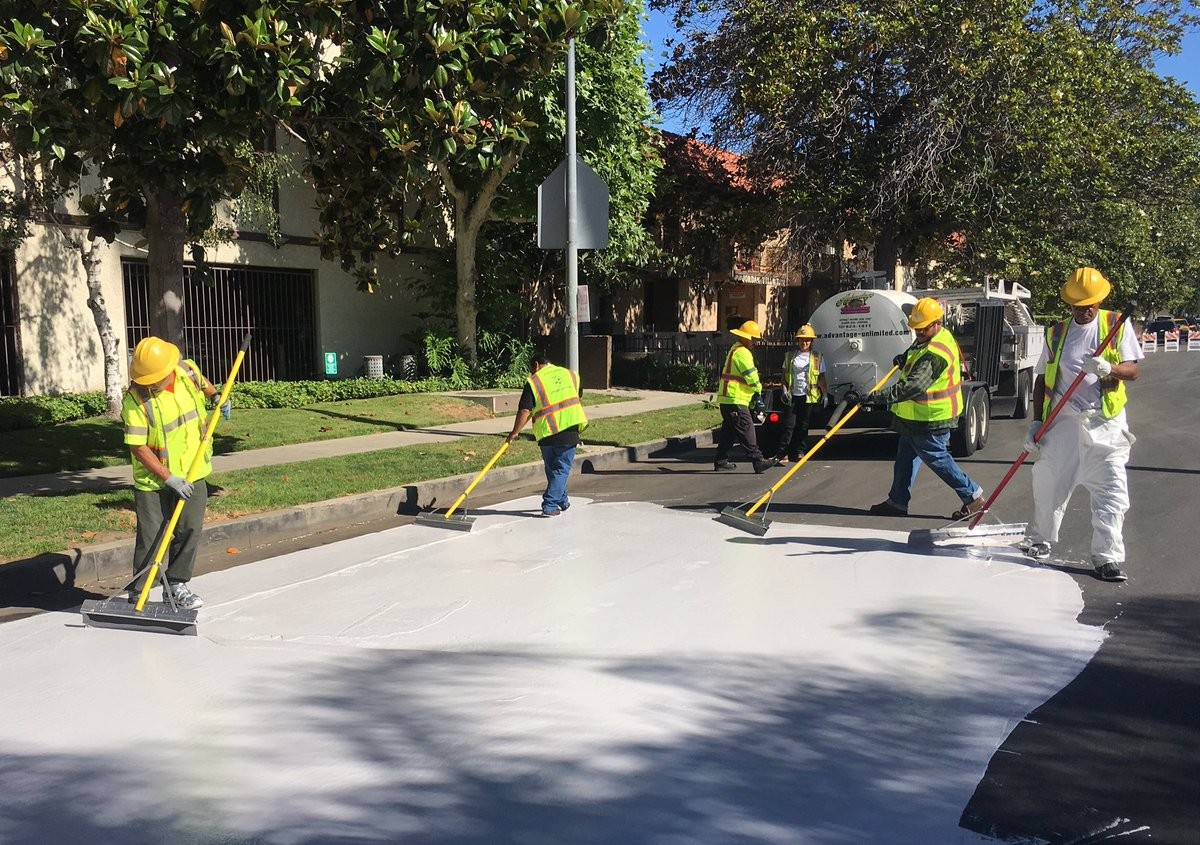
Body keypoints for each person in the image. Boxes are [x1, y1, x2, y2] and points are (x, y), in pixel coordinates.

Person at [1020, 267, 1141, 582]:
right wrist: (1036, 422)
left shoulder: (1116, 324)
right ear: (1069, 303)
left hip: (1105, 422)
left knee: (1112, 492)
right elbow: (1042, 379)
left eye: (1090, 304)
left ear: (1100, 301)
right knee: (1050, 483)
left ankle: (1107, 558)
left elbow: (1133, 370)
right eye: (1078, 305)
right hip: (1063, 421)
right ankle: (1041, 540)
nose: (1084, 310)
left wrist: (1108, 368)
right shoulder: (1056, 332)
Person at [122, 337, 230, 609]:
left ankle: (178, 584)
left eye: (152, 378)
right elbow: (139, 447)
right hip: (154, 481)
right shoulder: (135, 400)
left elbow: (208, 389)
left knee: (189, 528)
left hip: (194, 471)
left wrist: (218, 398)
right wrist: (168, 477)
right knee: (152, 537)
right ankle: (140, 592)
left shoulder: (188, 371)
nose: (147, 383)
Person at [866, 297, 986, 519]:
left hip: (931, 418)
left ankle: (973, 497)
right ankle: (898, 502)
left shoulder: (935, 353)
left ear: (937, 323)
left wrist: (875, 397)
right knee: (905, 457)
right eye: (916, 328)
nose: (919, 332)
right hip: (916, 417)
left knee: (937, 459)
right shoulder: (932, 337)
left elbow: (914, 385)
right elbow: (916, 350)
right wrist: (904, 358)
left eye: (923, 328)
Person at [506, 355, 588, 517]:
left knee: (554, 469)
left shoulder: (534, 381)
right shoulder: (571, 375)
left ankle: (557, 501)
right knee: (560, 469)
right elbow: (577, 396)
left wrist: (515, 432)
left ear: (536, 365)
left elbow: (525, 410)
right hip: (569, 428)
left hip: (547, 432)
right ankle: (554, 502)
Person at [714, 319, 777, 473]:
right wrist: (758, 390)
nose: (755, 343)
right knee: (747, 429)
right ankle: (758, 461)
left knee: (729, 431)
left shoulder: (735, 349)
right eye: (753, 339)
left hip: (728, 399)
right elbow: (751, 376)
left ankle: (721, 461)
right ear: (746, 337)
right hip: (736, 399)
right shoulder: (743, 353)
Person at [773, 324, 828, 464]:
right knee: (788, 425)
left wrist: (825, 394)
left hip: (808, 397)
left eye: (807, 340)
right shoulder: (790, 356)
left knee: (803, 425)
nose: (804, 343)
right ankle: (782, 453)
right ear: (797, 341)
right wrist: (784, 389)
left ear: (811, 342)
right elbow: (784, 376)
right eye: (802, 340)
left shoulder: (817, 357)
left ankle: (800, 452)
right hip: (792, 396)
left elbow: (821, 377)